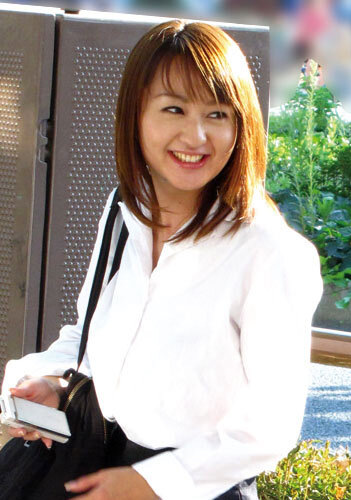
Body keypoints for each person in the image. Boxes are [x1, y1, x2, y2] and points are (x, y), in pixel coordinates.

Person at [0, 20, 322, 500]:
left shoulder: (269, 252)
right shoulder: (123, 212)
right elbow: (89, 333)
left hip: (192, 486)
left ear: (242, 125)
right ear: (135, 115)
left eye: (217, 114)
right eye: (174, 109)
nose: (197, 135)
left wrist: (153, 483)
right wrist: (53, 382)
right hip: (94, 459)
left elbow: (271, 427)